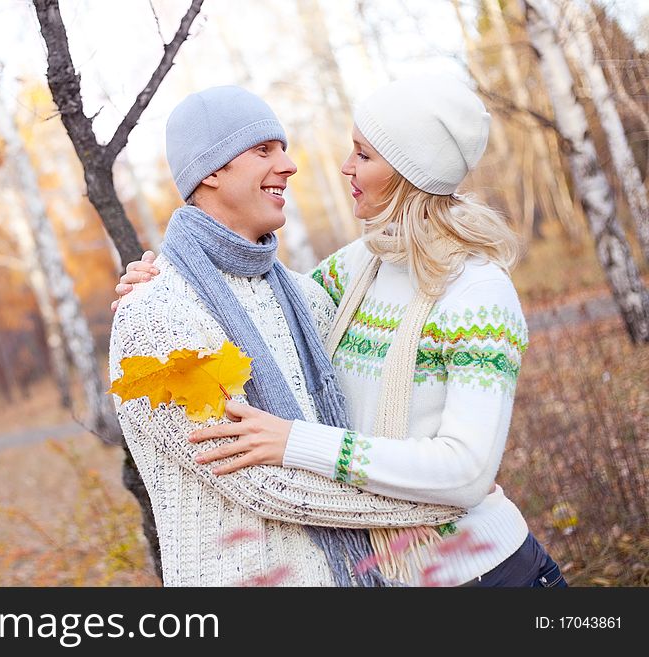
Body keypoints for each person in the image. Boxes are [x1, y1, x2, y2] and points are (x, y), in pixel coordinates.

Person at [115, 76, 567, 587]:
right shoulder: (352, 274)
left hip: (490, 573)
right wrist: (154, 284)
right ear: (211, 170)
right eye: (265, 149)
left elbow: (466, 473)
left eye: (364, 154)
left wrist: (297, 442)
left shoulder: (478, 293)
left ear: (406, 172)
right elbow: (259, 313)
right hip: (392, 577)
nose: (341, 166)